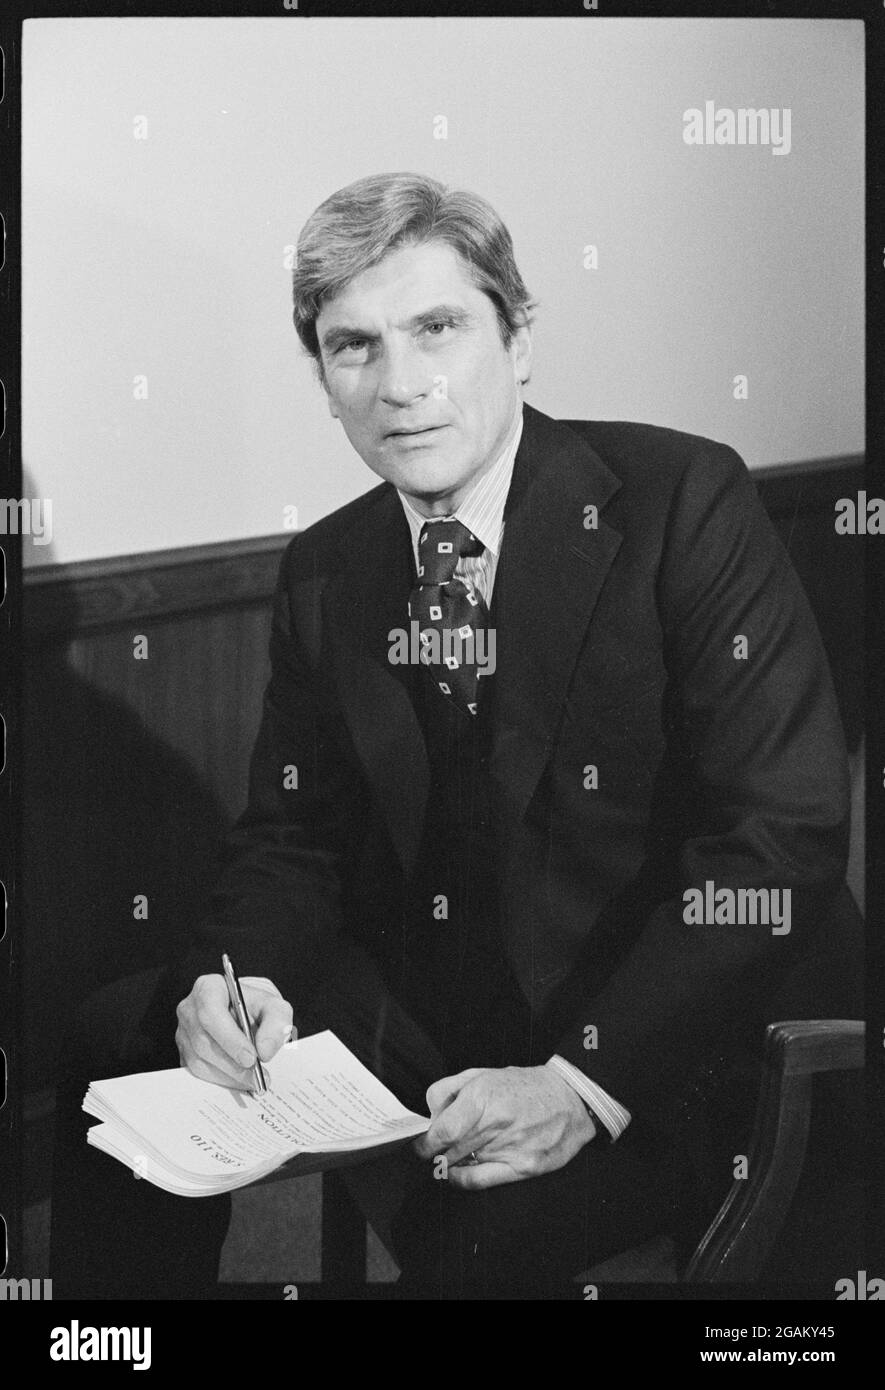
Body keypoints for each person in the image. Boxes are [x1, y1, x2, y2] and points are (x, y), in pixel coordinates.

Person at [51, 172, 861, 1299]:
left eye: (437, 328)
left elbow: (782, 836)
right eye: (353, 348)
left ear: (518, 339)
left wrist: (580, 1081)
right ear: (325, 383)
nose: (400, 387)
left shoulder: (683, 500)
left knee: (479, 1236)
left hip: (675, 1039)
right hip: (451, 1001)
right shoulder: (330, 568)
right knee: (118, 1044)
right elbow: (294, 836)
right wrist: (237, 986)